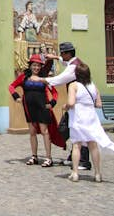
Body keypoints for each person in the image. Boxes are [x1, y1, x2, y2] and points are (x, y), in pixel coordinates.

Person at [65, 63, 114, 182]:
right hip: (91, 117)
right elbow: (99, 104)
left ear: (77, 74)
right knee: (93, 145)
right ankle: (97, 173)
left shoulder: (73, 85)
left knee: (76, 145)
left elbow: (71, 103)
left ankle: (75, 173)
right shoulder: (93, 86)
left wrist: (65, 106)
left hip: (78, 117)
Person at [38, 42, 91, 170]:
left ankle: (83, 161)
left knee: (78, 130)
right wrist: (55, 58)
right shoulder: (75, 62)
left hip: (79, 103)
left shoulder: (73, 68)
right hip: (78, 103)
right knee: (72, 129)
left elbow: (60, 79)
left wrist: (41, 80)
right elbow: (64, 62)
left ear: (68, 53)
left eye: (62, 53)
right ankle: (74, 156)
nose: (61, 55)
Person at [8, 54, 65, 167]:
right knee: (32, 132)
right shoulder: (24, 77)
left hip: (42, 107)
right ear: (30, 66)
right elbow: (11, 86)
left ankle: (49, 158)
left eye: (38, 66)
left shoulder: (43, 79)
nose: (36, 68)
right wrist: (16, 97)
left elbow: (54, 92)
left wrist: (52, 103)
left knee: (45, 132)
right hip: (29, 108)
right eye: (34, 65)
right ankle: (34, 156)